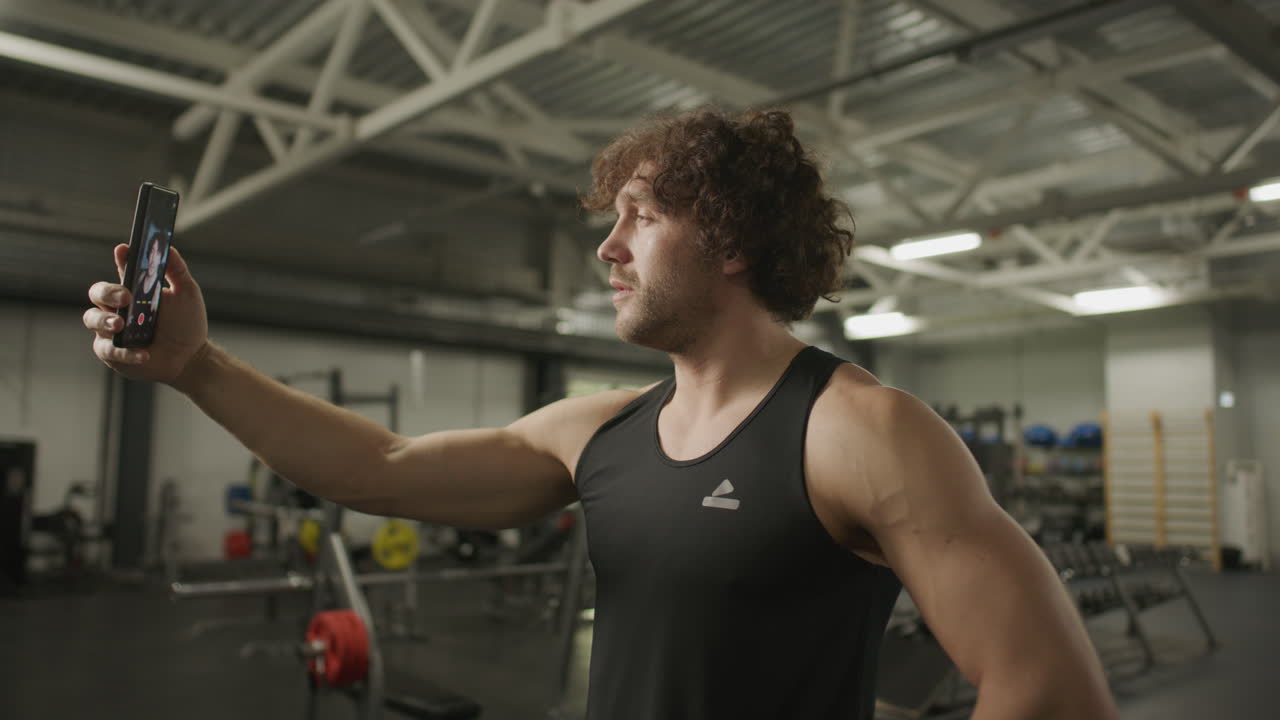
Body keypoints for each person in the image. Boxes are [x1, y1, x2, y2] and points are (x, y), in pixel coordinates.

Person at [84, 108, 1117, 720]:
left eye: (643, 218)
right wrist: (196, 366)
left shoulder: (861, 431)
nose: (606, 248)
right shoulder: (599, 431)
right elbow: (382, 465)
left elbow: (1051, 691)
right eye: (610, 220)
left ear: (732, 244)